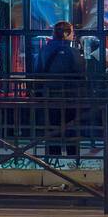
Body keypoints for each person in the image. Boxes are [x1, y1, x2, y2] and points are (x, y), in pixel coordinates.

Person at [34, 21, 86, 159]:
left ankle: (53, 159)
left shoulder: (45, 50)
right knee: (71, 128)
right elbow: (81, 74)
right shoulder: (72, 52)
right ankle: (72, 159)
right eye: (72, 32)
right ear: (65, 34)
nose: (74, 35)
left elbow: (38, 72)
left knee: (52, 128)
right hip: (70, 97)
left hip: (49, 96)